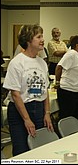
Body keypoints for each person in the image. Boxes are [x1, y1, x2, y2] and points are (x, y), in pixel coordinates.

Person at [3, 24, 53, 156]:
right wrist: (26, 119)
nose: (42, 39)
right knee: (22, 150)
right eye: (38, 37)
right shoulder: (17, 62)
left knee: (39, 148)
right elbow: (15, 94)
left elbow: (45, 90)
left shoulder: (42, 62)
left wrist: (47, 113)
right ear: (28, 40)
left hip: (39, 108)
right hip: (20, 110)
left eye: (42, 36)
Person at [55, 36, 78, 120]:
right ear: (77, 46)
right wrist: (57, 82)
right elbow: (59, 67)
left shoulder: (76, 56)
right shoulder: (71, 54)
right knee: (67, 117)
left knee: (73, 117)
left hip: (75, 92)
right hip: (68, 92)